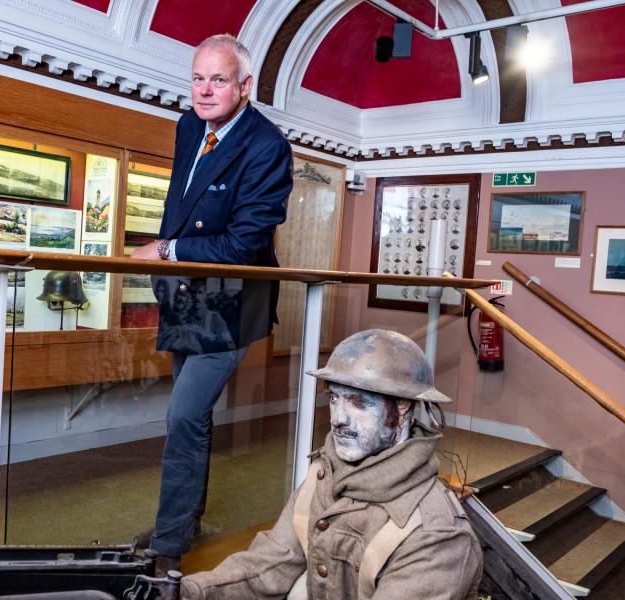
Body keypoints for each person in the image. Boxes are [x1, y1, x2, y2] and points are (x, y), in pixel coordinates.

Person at [130, 33, 293, 574]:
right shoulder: (187, 125)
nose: (204, 90)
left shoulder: (268, 145)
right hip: (184, 297)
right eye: (198, 77)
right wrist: (168, 263)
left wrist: (166, 249)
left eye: (218, 79)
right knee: (190, 420)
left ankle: (168, 545)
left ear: (244, 86)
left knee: (182, 417)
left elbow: (244, 246)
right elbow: (182, 202)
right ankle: (184, 521)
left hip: (229, 303)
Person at [179, 330, 483, 599]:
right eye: (335, 399)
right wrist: (187, 592)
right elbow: (273, 562)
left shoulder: (435, 533)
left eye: (359, 403)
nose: (338, 419)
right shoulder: (324, 472)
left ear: (402, 409)